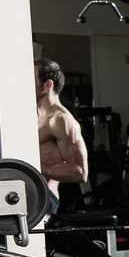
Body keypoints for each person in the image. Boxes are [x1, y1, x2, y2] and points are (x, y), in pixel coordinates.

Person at [35, 58, 88, 213]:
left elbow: (80, 171)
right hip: (29, 192)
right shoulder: (33, 114)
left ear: (48, 85)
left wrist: (38, 167)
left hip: (45, 197)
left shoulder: (60, 119)